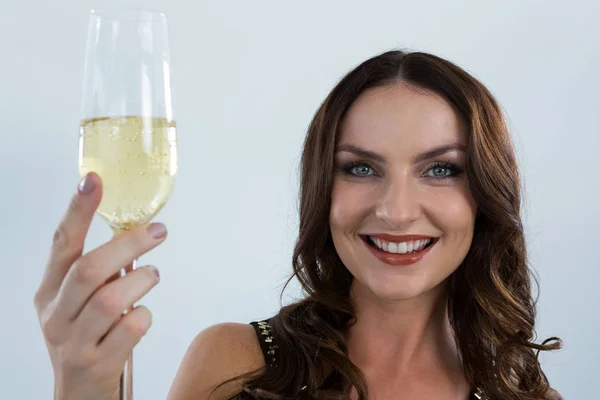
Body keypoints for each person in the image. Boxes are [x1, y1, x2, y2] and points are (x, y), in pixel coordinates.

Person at [34, 49, 562, 400]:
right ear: (322, 189)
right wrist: (82, 389)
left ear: (485, 196)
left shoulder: (524, 393)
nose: (397, 210)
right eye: (360, 167)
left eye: (441, 169)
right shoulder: (234, 363)